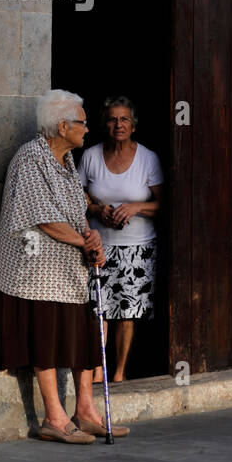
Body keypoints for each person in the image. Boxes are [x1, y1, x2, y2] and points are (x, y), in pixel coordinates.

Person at [0, 89, 130, 442]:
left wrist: (91, 237)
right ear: (63, 124)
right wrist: (84, 241)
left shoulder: (65, 161)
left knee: (84, 334)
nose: (88, 129)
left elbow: (73, 212)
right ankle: (53, 418)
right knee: (47, 338)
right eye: (82, 123)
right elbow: (44, 219)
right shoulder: (30, 159)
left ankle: (85, 411)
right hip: (36, 271)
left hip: (70, 270)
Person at [79, 96, 163, 382]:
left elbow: (164, 204)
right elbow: (78, 194)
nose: (119, 124)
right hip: (97, 244)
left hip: (137, 247)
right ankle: (97, 369)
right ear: (105, 124)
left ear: (134, 125)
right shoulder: (90, 156)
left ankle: (119, 373)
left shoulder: (148, 159)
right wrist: (96, 209)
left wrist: (137, 207)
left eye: (124, 119)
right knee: (97, 309)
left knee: (127, 312)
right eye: (113, 119)